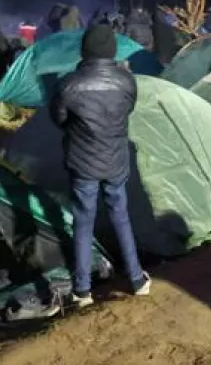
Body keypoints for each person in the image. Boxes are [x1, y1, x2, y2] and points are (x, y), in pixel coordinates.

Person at [49, 24, 150, 306]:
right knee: (121, 216)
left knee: (83, 222)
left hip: (82, 162)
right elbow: (127, 110)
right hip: (116, 159)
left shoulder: (69, 84)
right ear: (112, 51)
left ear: (85, 50)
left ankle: (82, 291)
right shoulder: (127, 81)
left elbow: (59, 119)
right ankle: (136, 280)